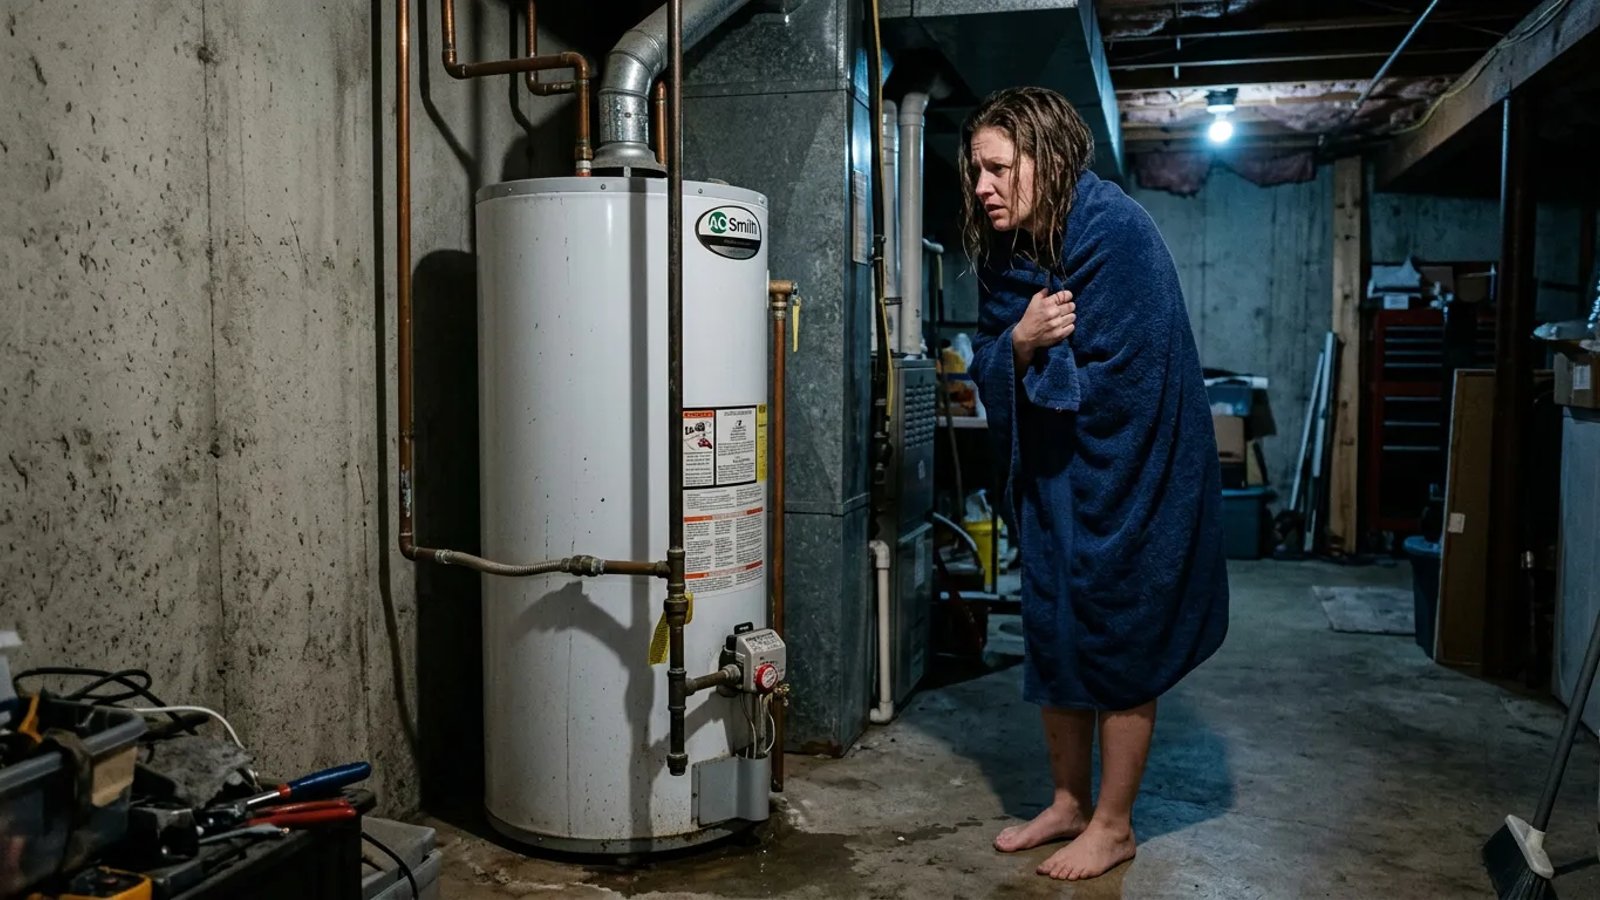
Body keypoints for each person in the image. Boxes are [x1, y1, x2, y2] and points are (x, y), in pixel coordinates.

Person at [961, 86, 1230, 881]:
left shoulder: (1117, 234)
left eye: (999, 167)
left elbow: (1131, 376)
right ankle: (1068, 802)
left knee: (1118, 633)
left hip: (1131, 475)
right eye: (976, 169)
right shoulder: (1007, 252)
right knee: (1052, 627)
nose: (982, 186)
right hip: (1054, 480)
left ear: (1047, 161)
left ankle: (1114, 824)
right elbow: (994, 349)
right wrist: (1021, 340)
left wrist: (1036, 353)